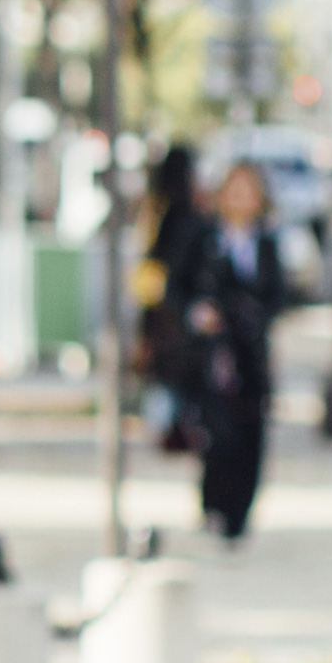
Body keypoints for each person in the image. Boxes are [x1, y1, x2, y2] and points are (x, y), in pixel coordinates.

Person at [184, 162, 285, 543]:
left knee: (251, 431)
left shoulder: (266, 243)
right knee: (217, 432)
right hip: (213, 353)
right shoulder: (204, 238)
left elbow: (278, 295)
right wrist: (198, 313)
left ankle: (240, 512)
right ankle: (214, 504)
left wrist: (258, 316)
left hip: (251, 354)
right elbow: (179, 285)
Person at [134, 143, 202, 451]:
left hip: (163, 307)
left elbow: (154, 266)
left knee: (166, 375)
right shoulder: (187, 213)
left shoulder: (160, 212)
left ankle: (169, 428)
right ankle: (174, 427)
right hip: (174, 308)